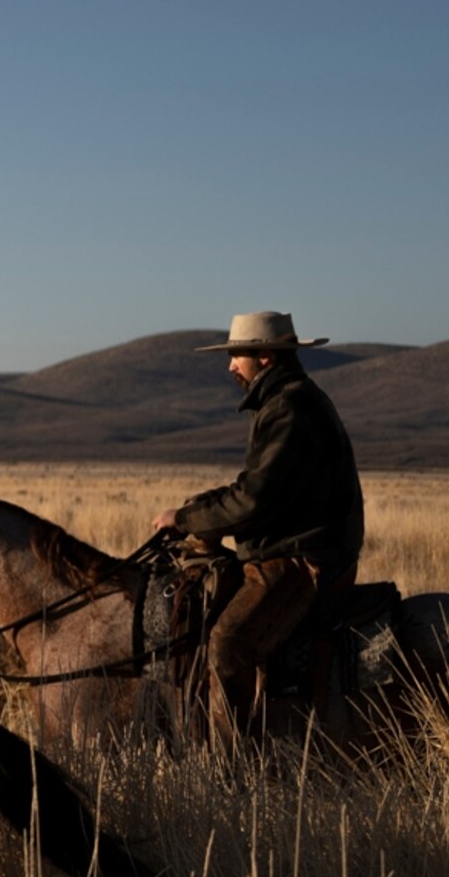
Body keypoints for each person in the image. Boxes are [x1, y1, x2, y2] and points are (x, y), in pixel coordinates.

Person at [153, 309, 364, 734]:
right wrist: (196, 509)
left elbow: (255, 499)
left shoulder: (290, 407)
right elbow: (256, 485)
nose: (230, 364)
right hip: (293, 547)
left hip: (304, 558)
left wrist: (188, 518)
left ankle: (232, 771)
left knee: (228, 645)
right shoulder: (282, 400)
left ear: (265, 356)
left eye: (237, 355)